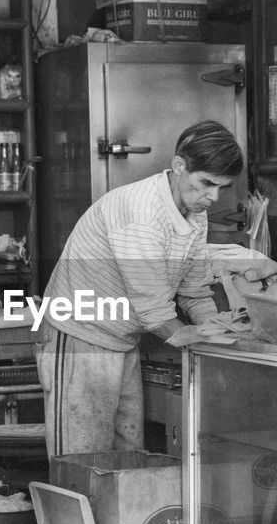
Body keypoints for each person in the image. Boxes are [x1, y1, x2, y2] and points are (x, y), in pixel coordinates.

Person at [39, 119, 243, 459]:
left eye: (222, 187)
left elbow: (194, 291)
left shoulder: (195, 212)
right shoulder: (142, 214)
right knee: (80, 460)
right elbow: (155, 312)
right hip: (80, 337)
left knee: (127, 456)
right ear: (180, 166)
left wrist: (222, 332)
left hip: (122, 340)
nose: (213, 197)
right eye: (206, 183)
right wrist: (207, 349)